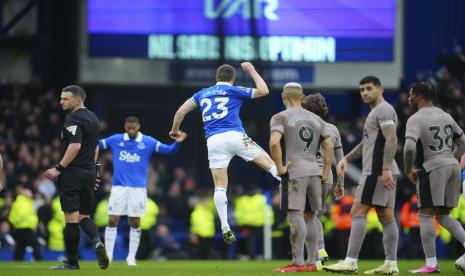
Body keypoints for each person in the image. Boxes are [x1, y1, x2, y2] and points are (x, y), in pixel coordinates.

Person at [169, 62, 281, 243]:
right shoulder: (235, 90)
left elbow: (180, 111)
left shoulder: (202, 93)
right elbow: (264, 90)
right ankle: (290, 185)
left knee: (220, 186)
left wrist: (175, 130)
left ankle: (224, 225)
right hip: (235, 136)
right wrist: (252, 70)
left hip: (214, 141)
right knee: (269, 164)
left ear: (216, 78)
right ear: (232, 78)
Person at [323, 76, 400, 274]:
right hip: (381, 169)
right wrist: (347, 158)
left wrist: (384, 169)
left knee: (357, 212)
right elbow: (367, 143)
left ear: (380, 90)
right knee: (386, 216)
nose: (365, 92)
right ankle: (391, 264)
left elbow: (391, 139)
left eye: (369, 88)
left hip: (376, 170)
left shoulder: (383, 110)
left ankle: (350, 261)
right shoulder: (375, 112)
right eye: (362, 90)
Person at [98, 116, 186, 266]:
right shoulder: (115, 139)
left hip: (138, 189)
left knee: (135, 222)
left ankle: (131, 257)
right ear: (125, 127)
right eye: (128, 128)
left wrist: (177, 142)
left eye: (134, 128)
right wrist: (96, 130)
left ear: (138, 126)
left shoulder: (148, 141)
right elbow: (97, 144)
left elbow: (168, 150)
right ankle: (109, 256)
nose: (131, 130)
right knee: (112, 220)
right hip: (119, 187)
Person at [269, 82, 334, 272]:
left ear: (284, 97)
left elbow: (274, 143)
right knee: (310, 216)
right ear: (302, 97)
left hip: (295, 171)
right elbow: (328, 146)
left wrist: (280, 168)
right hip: (315, 171)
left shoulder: (280, 117)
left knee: (295, 215)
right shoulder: (317, 119)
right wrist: (325, 171)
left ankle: (297, 262)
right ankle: (313, 263)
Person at [43, 85, 109, 270]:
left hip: (72, 173)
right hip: (89, 173)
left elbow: (75, 146)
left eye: (65, 98)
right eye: (61, 98)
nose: (61, 101)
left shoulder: (73, 118)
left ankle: (72, 262)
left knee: (71, 218)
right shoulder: (94, 118)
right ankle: (97, 241)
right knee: (84, 216)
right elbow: (95, 147)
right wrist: (95, 173)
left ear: (77, 100)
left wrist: (58, 168)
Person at [403, 82, 465, 274]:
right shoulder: (446, 115)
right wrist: (452, 160)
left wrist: (409, 168)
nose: (409, 98)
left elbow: (409, 147)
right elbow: (462, 141)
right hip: (453, 167)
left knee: (425, 214)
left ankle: (430, 264)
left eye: (411, 94)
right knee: (444, 215)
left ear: (420, 96)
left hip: (433, 168)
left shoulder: (416, 118)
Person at [302, 93, 344, 268]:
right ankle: (320, 249)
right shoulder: (333, 129)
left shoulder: (301, 127)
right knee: (313, 215)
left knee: (305, 218)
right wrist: (340, 184)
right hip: (327, 178)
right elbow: (341, 161)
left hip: (308, 174)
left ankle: (314, 259)